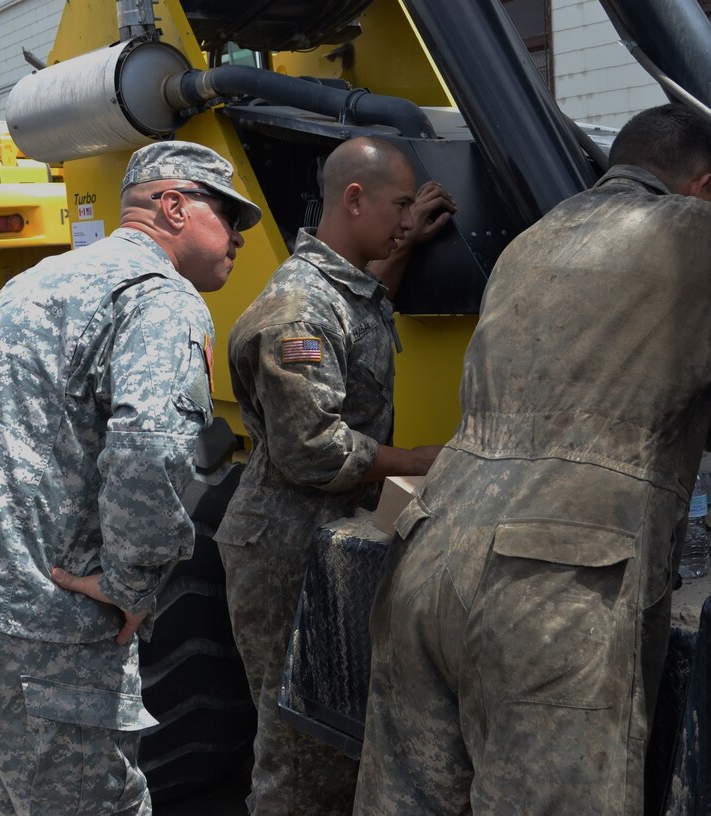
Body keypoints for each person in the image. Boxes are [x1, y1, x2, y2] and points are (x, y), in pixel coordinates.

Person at [353, 104, 711, 816]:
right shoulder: (701, 230)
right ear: (701, 185)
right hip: (552, 591)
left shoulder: (530, 241)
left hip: (427, 554)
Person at [0, 140, 261, 816]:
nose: (240, 236)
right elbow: (152, 449)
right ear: (174, 206)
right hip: (42, 618)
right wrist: (132, 587)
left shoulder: (38, 281)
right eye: (229, 216)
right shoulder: (160, 298)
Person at [215, 135, 456, 815]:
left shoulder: (340, 289)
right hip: (284, 547)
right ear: (355, 199)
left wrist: (403, 240)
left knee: (337, 730)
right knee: (299, 744)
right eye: (398, 204)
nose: (407, 217)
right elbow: (313, 448)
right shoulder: (300, 309)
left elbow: (363, 314)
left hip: (323, 534)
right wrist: (422, 461)